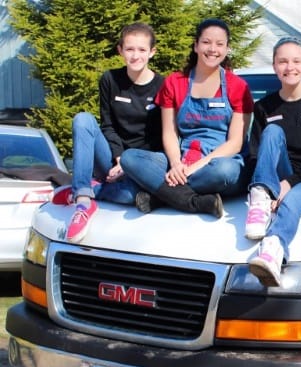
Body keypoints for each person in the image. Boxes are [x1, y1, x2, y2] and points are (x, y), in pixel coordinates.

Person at [121, 18, 253, 217]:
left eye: (220, 44)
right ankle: (193, 201)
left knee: (225, 171)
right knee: (130, 158)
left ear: (227, 49)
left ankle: (161, 195)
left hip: (219, 164)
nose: (212, 49)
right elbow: (170, 133)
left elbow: (235, 143)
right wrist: (176, 164)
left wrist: (194, 168)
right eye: (206, 42)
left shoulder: (238, 86)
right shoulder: (175, 82)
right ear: (196, 45)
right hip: (182, 160)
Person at [56, 22, 164, 243]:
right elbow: (107, 125)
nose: (135, 55)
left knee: (131, 196)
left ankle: (90, 187)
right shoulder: (109, 79)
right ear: (120, 50)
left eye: (142, 50)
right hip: (112, 158)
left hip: (140, 164)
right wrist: (118, 158)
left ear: (152, 52)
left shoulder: (163, 85)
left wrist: (127, 164)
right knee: (83, 119)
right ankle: (83, 200)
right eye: (130, 49)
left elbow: (159, 138)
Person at [244, 36, 301, 287]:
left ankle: (273, 249)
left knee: (293, 200)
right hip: (274, 181)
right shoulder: (264, 106)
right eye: (282, 61)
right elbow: (254, 155)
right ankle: (260, 195)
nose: (289, 67)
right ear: (274, 66)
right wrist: (272, 185)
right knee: (272, 132)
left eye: (296, 61)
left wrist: (288, 183)